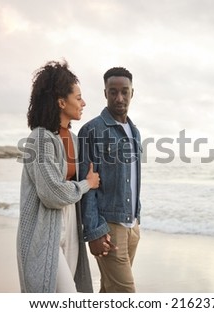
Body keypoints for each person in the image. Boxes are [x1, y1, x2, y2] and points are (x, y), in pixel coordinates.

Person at [17, 60, 100, 293]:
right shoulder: (40, 139)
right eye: (78, 97)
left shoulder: (73, 139)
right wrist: (87, 184)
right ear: (61, 102)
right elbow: (51, 193)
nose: (84, 103)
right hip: (45, 231)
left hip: (71, 224)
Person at [78, 67, 142, 293]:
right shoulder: (91, 130)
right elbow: (88, 185)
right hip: (108, 227)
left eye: (125, 92)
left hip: (132, 226)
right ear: (105, 93)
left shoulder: (134, 132)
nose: (119, 98)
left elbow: (133, 178)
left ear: (132, 93)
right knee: (125, 293)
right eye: (113, 92)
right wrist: (94, 231)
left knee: (109, 292)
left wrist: (137, 218)